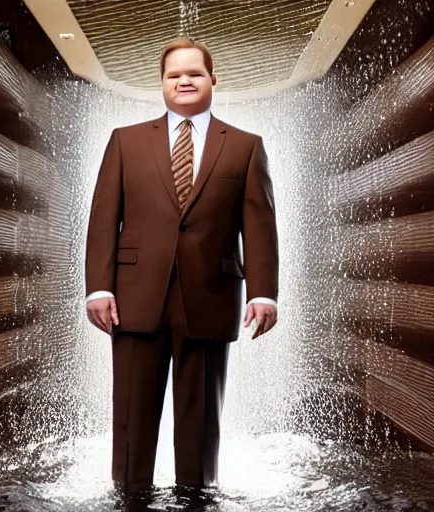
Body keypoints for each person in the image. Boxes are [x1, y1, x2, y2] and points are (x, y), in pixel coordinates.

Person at [85, 39, 279, 492]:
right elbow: (102, 217)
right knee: (131, 421)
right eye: (174, 75)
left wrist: (264, 292)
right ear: (162, 84)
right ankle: (130, 499)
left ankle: (197, 499)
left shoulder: (248, 147)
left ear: (213, 79)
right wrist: (99, 287)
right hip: (134, 298)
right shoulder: (124, 141)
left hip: (210, 296)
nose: (185, 81)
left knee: (201, 425)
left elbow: (260, 223)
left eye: (194, 73)